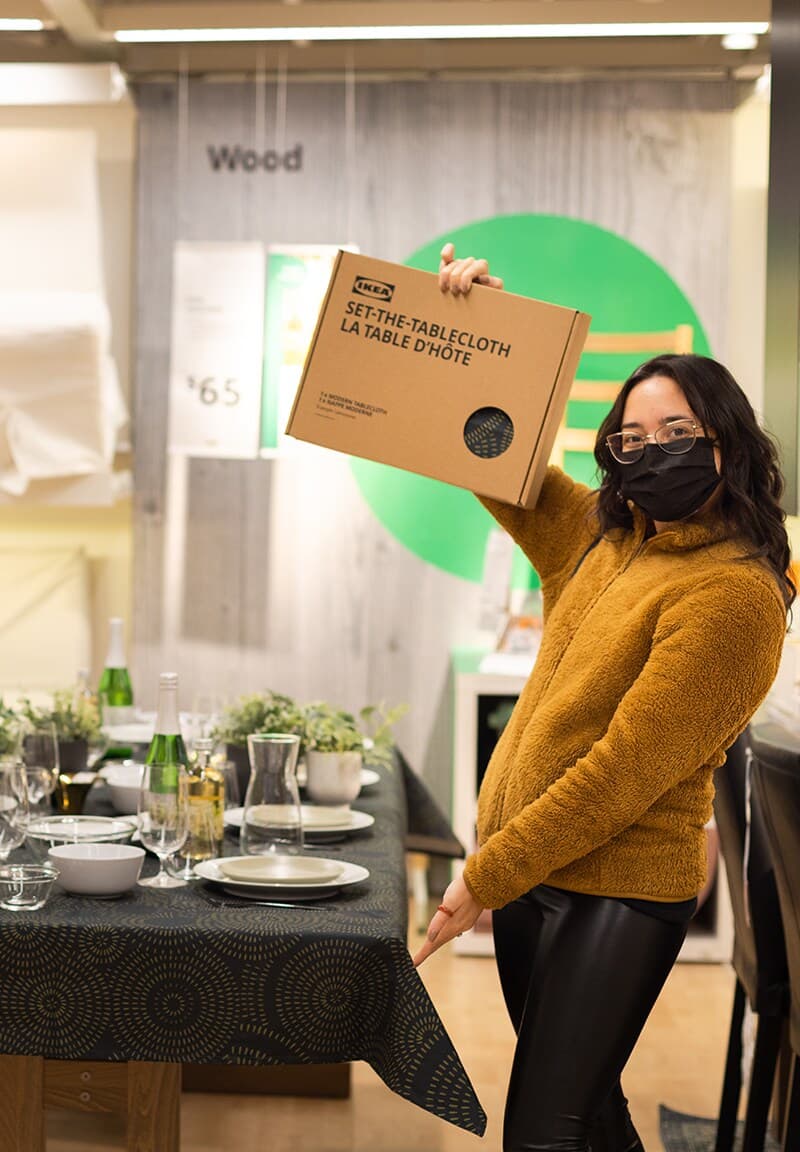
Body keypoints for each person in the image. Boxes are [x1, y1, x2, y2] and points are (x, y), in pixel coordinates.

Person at [413, 244, 794, 1152]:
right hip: (538, 874)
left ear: (726, 442)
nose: (649, 454)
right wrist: (481, 333)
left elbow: (623, 769)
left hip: (618, 892)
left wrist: (482, 876)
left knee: (545, 1128)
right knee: (590, 1114)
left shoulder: (735, 594)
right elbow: (490, 447)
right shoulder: (600, 535)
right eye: (631, 439)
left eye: (676, 435)